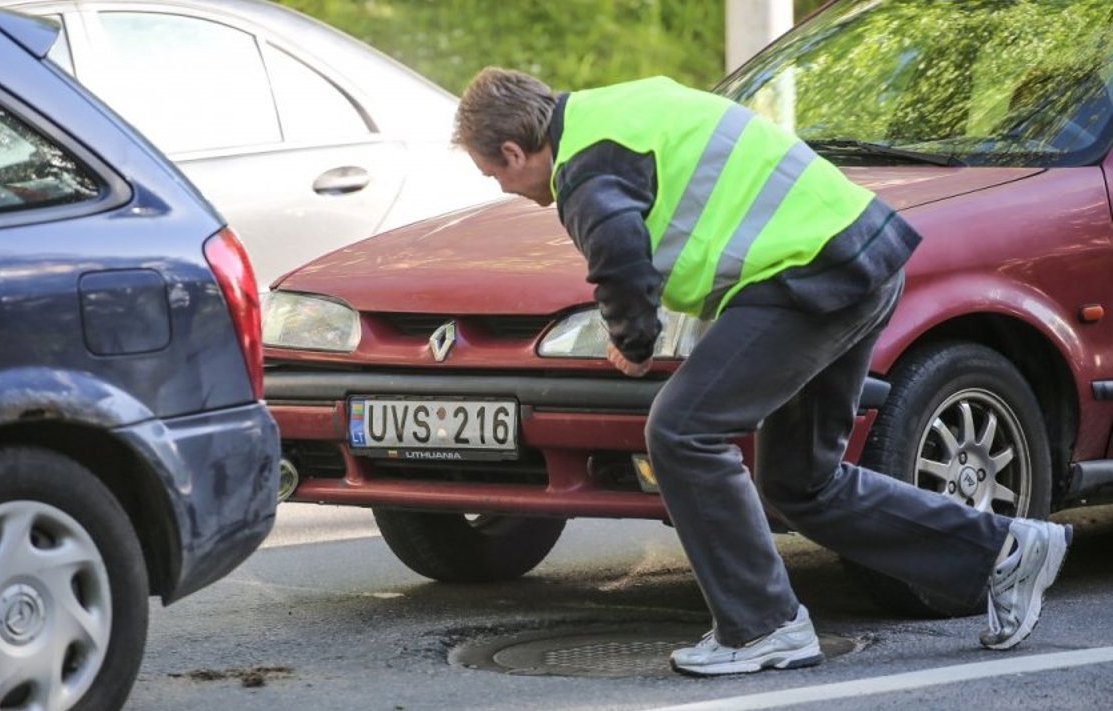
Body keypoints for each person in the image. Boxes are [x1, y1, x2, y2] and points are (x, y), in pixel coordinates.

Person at [452, 67, 1072, 677]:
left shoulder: (584, 166)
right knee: (801, 478)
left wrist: (633, 343)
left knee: (680, 431)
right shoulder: (620, 105)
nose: (506, 189)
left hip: (805, 275)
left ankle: (763, 626)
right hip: (856, 260)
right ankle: (1005, 550)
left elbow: (620, 260)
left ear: (513, 150)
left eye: (496, 174)